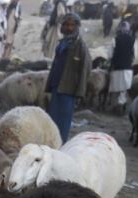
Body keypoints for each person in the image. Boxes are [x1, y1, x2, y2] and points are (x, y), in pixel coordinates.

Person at [45, 13, 90, 142]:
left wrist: (80, 91)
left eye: (72, 25)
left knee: (63, 121)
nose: (68, 28)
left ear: (77, 27)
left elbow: (85, 69)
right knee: (52, 118)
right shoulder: (62, 43)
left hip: (69, 89)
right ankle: (52, 142)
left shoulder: (80, 46)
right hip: (56, 86)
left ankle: (61, 144)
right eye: (66, 24)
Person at [108, 22, 136, 109]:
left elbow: (110, 55)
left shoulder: (115, 39)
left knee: (115, 88)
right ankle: (122, 105)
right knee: (124, 88)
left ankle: (115, 106)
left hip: (116, 67)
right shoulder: (133, 40)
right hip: (127, 68)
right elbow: (135, 55)